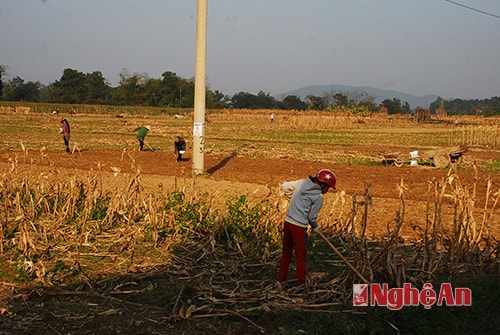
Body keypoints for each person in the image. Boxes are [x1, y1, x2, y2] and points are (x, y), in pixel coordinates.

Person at [278, 168, 337, 287]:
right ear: (323, 185)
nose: (327, 190)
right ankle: (301, 285)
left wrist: (294, 200)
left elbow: (285, 186)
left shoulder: (302, 183)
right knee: (300, 257)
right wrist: (315, 227)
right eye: (328, 187)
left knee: (286, 254)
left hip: (288, 222)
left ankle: (281, 281)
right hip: (299, 227)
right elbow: (311, 217)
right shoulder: (318, 197)